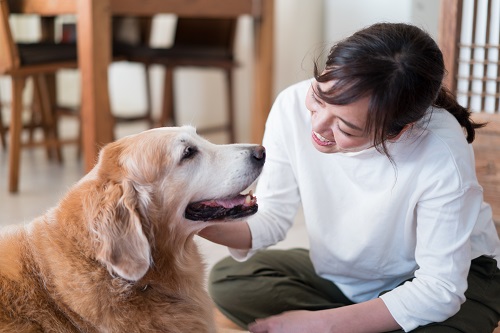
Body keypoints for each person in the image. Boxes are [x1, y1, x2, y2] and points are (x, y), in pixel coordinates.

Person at [198, 22, 500, 333]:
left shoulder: (441, 151)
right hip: (349, 281)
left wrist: (321, 324)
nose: (317, 126)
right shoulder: (290, 106)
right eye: (319, 97)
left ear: (399, 131)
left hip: (458, 279)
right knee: (229, 280)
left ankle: (358, 321)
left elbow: (439, 290)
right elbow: (269, 219)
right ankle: (369, 320)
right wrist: (191, 218)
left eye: (346, 128)